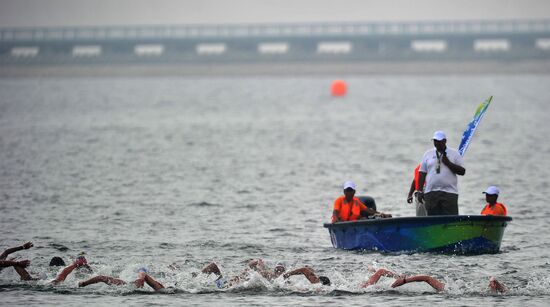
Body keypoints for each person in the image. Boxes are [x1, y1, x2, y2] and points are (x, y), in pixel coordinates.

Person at [417, 131, 466, 215]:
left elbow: (462, 171)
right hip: (431, 193)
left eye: (439, 141)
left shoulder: (454, 153)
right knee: (432, 220)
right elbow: (422, 173)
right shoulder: (428, 154)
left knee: (450, 220)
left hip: (450, 193)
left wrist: (448, 163)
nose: (437, 143)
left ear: (445, 141)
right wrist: (420, 191)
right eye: (435, 141)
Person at [78, 267, 165, 291]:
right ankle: (83, 284)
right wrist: (141, 279)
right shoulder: (159, 288)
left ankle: (83, 284)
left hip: (129, 286)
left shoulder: (160, 289)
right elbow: (143, 273)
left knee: (102, 278)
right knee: (102, 278)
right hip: (130, 285)